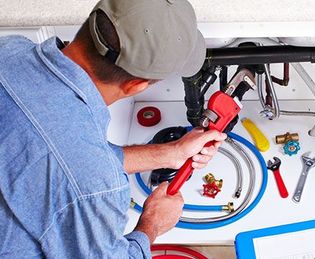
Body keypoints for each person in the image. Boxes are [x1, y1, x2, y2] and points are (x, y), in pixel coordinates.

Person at [0, 0, 226, 257]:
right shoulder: (94, 188)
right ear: (136, 86)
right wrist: (152, 223)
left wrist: (171, 153)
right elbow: (76, 170)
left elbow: (58, 152)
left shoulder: (10, 49)